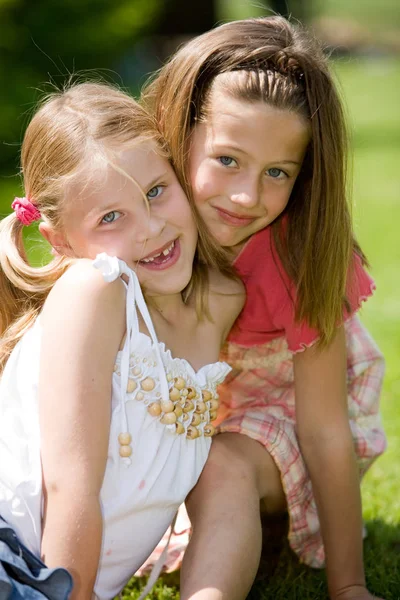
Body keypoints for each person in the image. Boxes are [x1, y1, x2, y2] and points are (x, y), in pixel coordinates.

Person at [140, 15, 386, 600]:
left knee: (222, 463)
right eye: (228, 159)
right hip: (186, 414)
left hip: (287, 418)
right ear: (179, 132)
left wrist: (348, 586)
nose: (247, 196)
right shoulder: (142, 227)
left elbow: (325, 431)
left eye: (277, 173)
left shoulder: (296, 256)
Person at [0, 82, 244, 600]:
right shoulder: (96, 288)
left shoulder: (222, 302)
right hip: (22, 568)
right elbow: (72, 488)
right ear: (61, 241)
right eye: (111, 218)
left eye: (156, 191)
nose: (151, 228)